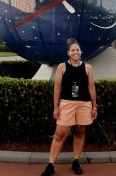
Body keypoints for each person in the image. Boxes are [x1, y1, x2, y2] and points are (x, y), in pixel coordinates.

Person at [41, 38, 98, 176]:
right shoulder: (62, 67)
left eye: (77, 50)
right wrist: (56, 107)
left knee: (79, 132)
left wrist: (94, 107)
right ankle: (50, 165)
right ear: (68, 53)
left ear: (81, 52)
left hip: (84, 104)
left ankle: (76, 162)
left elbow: (91, 88)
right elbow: (57, 88)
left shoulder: (88, 67)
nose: (75, 52)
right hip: (66, 104)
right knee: (60, 134)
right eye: (73, 50)